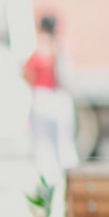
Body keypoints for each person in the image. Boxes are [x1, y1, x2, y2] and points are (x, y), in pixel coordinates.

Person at [23, 13, 79, 182]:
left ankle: (47, 186)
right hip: (61, 99)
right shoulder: (60, 46)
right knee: (65, 145)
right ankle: (71, 187)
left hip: (42, 97)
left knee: (43, 147)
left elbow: (27, 73)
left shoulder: (37, 45)